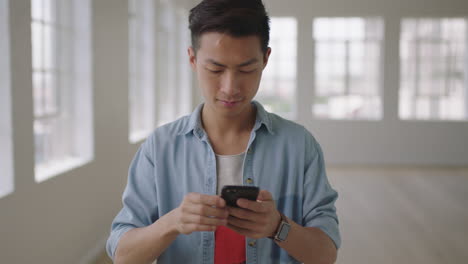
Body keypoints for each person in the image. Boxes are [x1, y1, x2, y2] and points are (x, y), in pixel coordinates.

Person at [106, 0, 341, 263]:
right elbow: (123, 256)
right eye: (215, 69)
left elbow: (325, 254)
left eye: (246, 69)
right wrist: (172, 222)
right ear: (193, 59)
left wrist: (277, 227)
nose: (230, 87)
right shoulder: (160, 147)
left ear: (265, 59)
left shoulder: (299, 146)